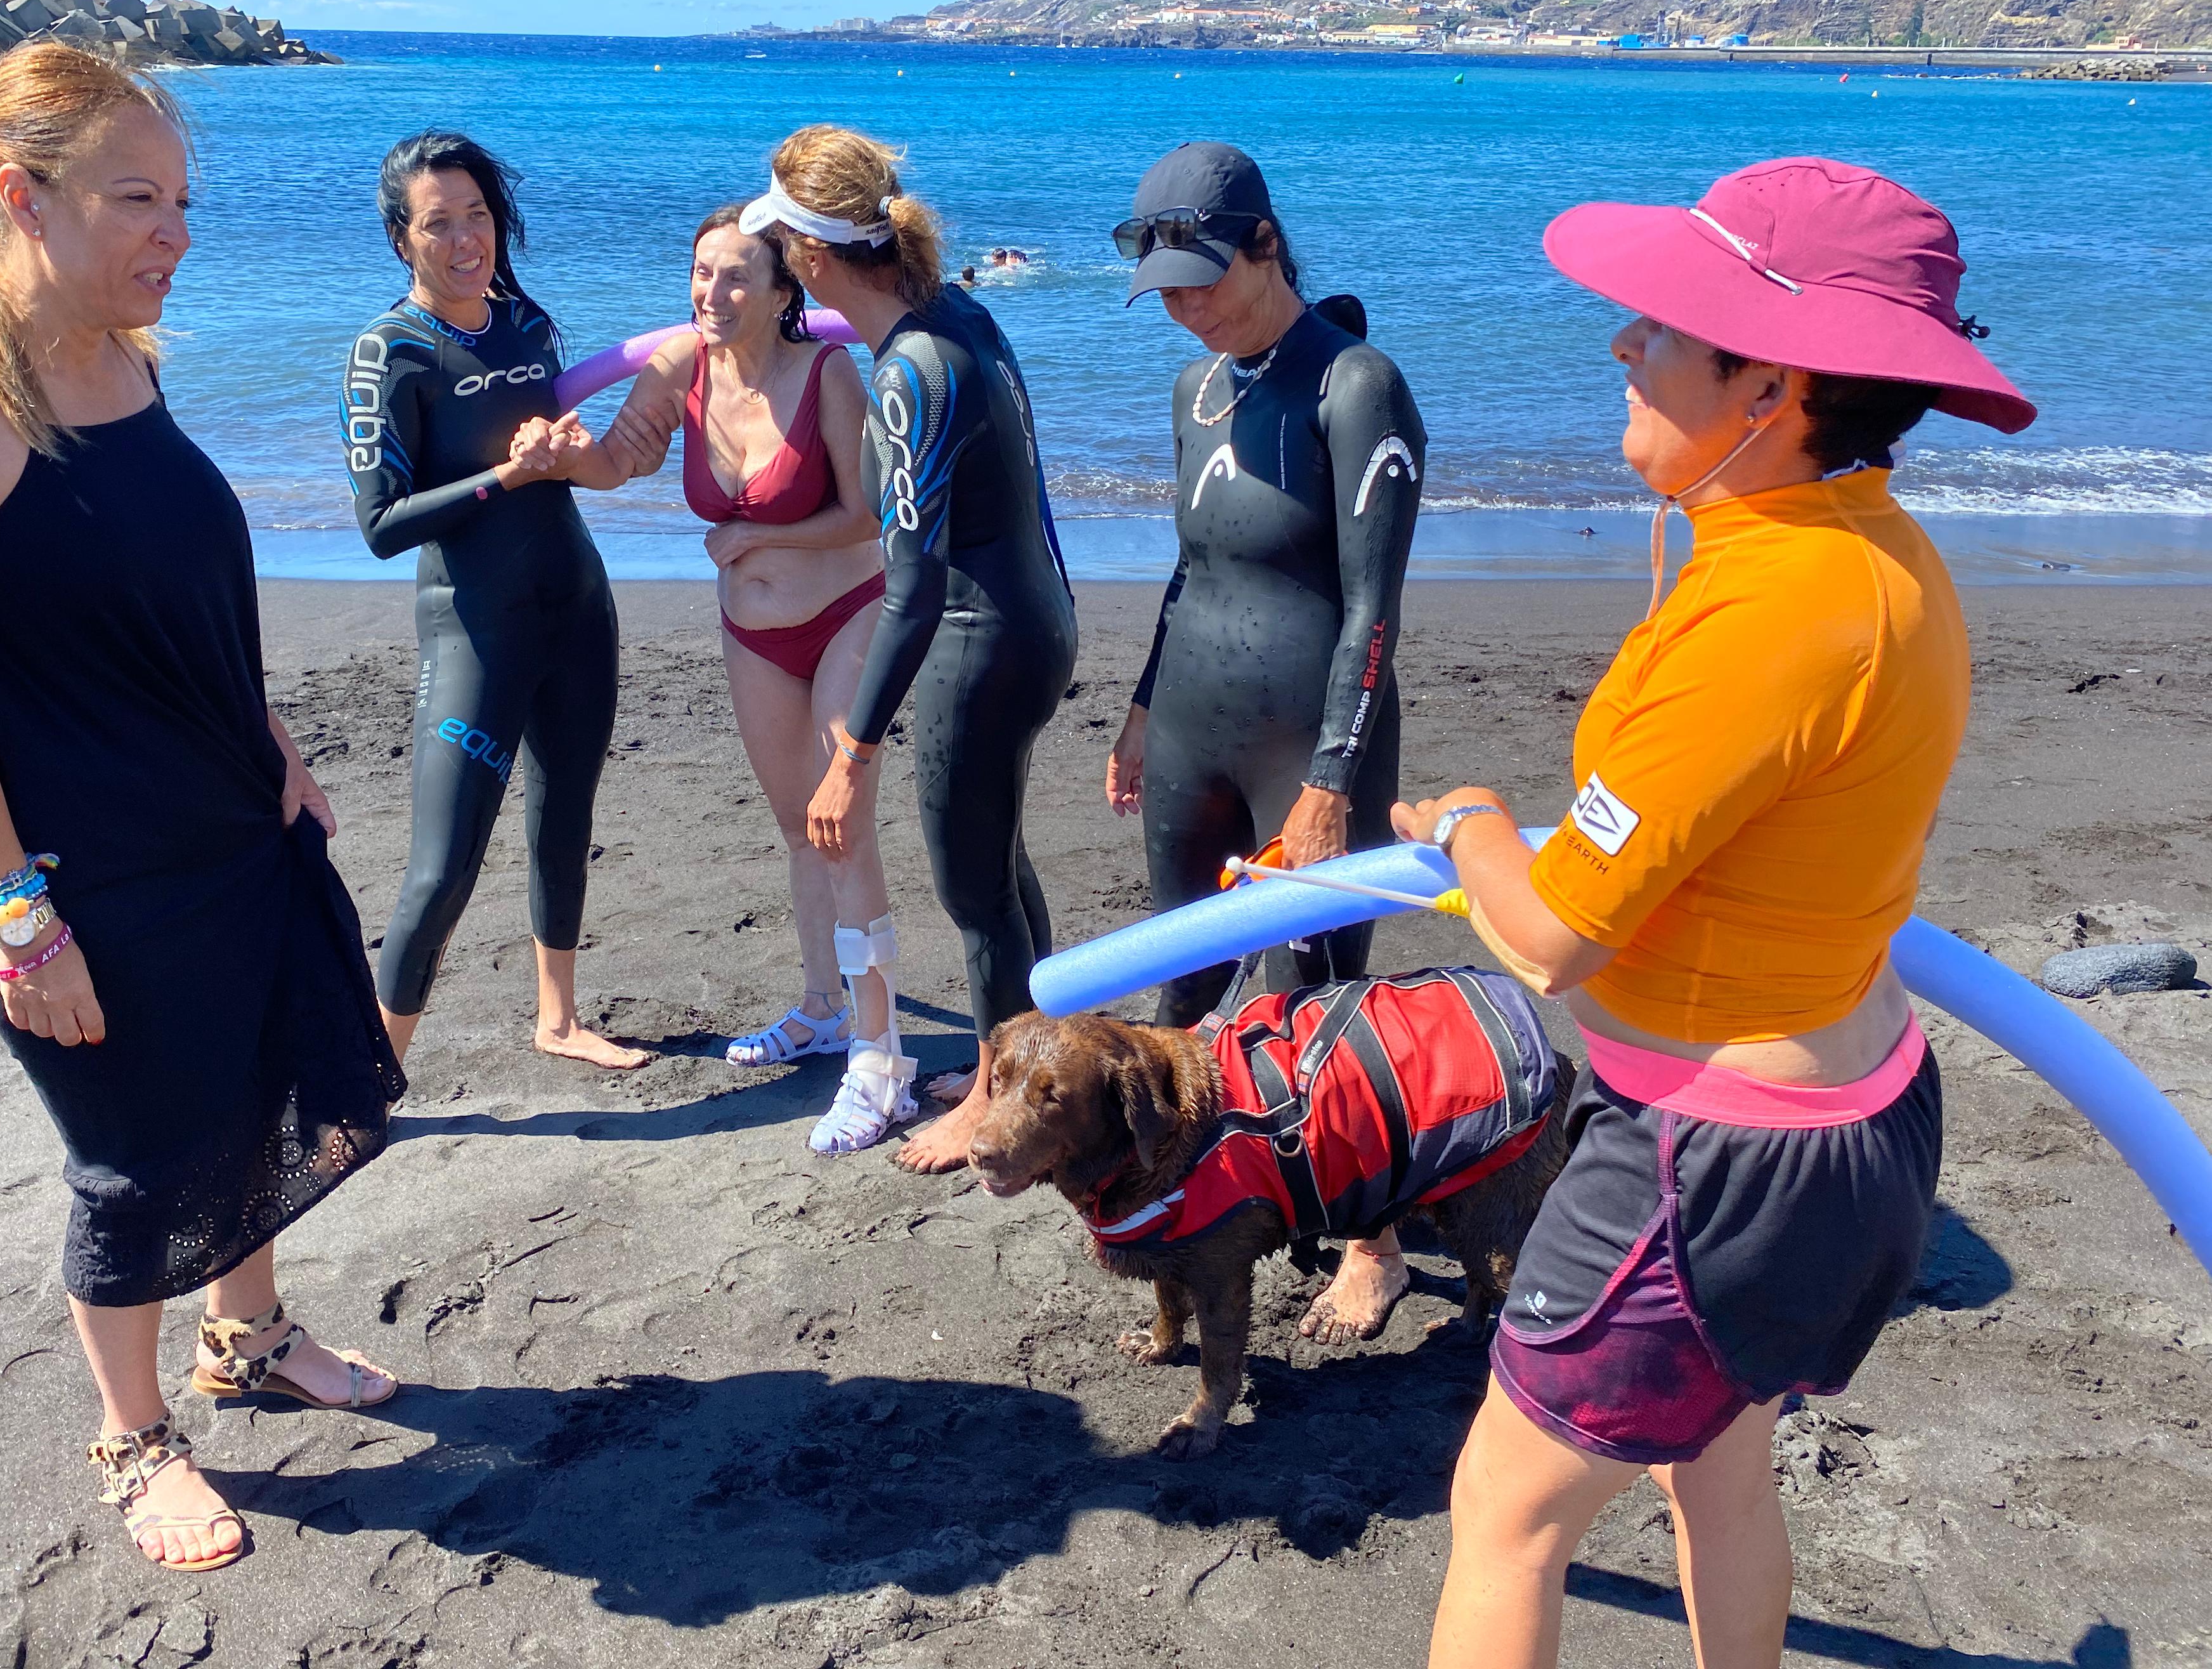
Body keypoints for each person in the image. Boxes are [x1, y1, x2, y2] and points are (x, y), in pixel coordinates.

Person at [1405, 157, 2034, 1669]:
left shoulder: (1772, 615)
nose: (1625, 343)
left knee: (1503, 1513)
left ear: (1775, 385)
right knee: (1718, 1462)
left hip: (1715, 1161)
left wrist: (1470, 825)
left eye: (1665, 325)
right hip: (1854, 1116)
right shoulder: (1874, 556)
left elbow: (1556, 936)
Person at [0, 42, 405, 1574]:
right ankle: (137, 1434)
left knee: (256, 1095)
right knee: (138, 1154)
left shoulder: (129, 360)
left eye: (182, 200)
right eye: (137, 199)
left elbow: (164, 594)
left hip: (229, 827)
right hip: (80, 880)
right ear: (20, 198)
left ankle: (253, 1337)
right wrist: (14, 913)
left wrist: (269, 730)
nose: (176, 233)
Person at [1102, 142, 1426, 1344]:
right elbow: (1191, 570)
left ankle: (1372, 1241)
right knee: (1185, 977)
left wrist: (1333, 782)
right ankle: (1198, 1196)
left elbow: (1373, 607)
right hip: (1194, 720)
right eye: (1167, 290)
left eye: (1203, 280)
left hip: (1310, 737)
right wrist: (1142, 705)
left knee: (1317, 994)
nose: (1186, 308)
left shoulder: (1358, 387)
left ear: (1266, 245)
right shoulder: (1196, 391)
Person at [747, 126, 1078, 1174]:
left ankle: (995, 1106)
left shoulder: (906, 374)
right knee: (1002, 861)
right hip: (1039, 619)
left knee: (973, 892)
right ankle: (1028, 1062)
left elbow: (912, 585)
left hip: (980, 643)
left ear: (809, 258)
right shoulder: (960, 316)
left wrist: (850, 754)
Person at [569, 206, 913, 1152]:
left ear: (782, 291)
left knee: (841, 828)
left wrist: (758, 531)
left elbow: (866, 517)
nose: (710, 294)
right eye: (700, 273)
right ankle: (821, 1009)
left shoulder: (828, 374)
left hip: (848, 614)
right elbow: (621, 456)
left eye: (733, 278)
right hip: (753, 632)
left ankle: (881, 1059)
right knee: (797, 827)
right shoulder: (681, 363)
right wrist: (563, 459)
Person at [339, 132, 642, 1073]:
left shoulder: (528, 324)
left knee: (566, 814)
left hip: (578, 609)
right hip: (475, 630)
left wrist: (579, 455)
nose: (467, 238)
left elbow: (573, 467)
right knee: (444, 865)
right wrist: (506, 478)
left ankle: (558, 1019)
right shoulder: (388, 352)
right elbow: (383, 526)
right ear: (403, 239)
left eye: (479, 215)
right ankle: (374, 1073)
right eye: (440, 223)